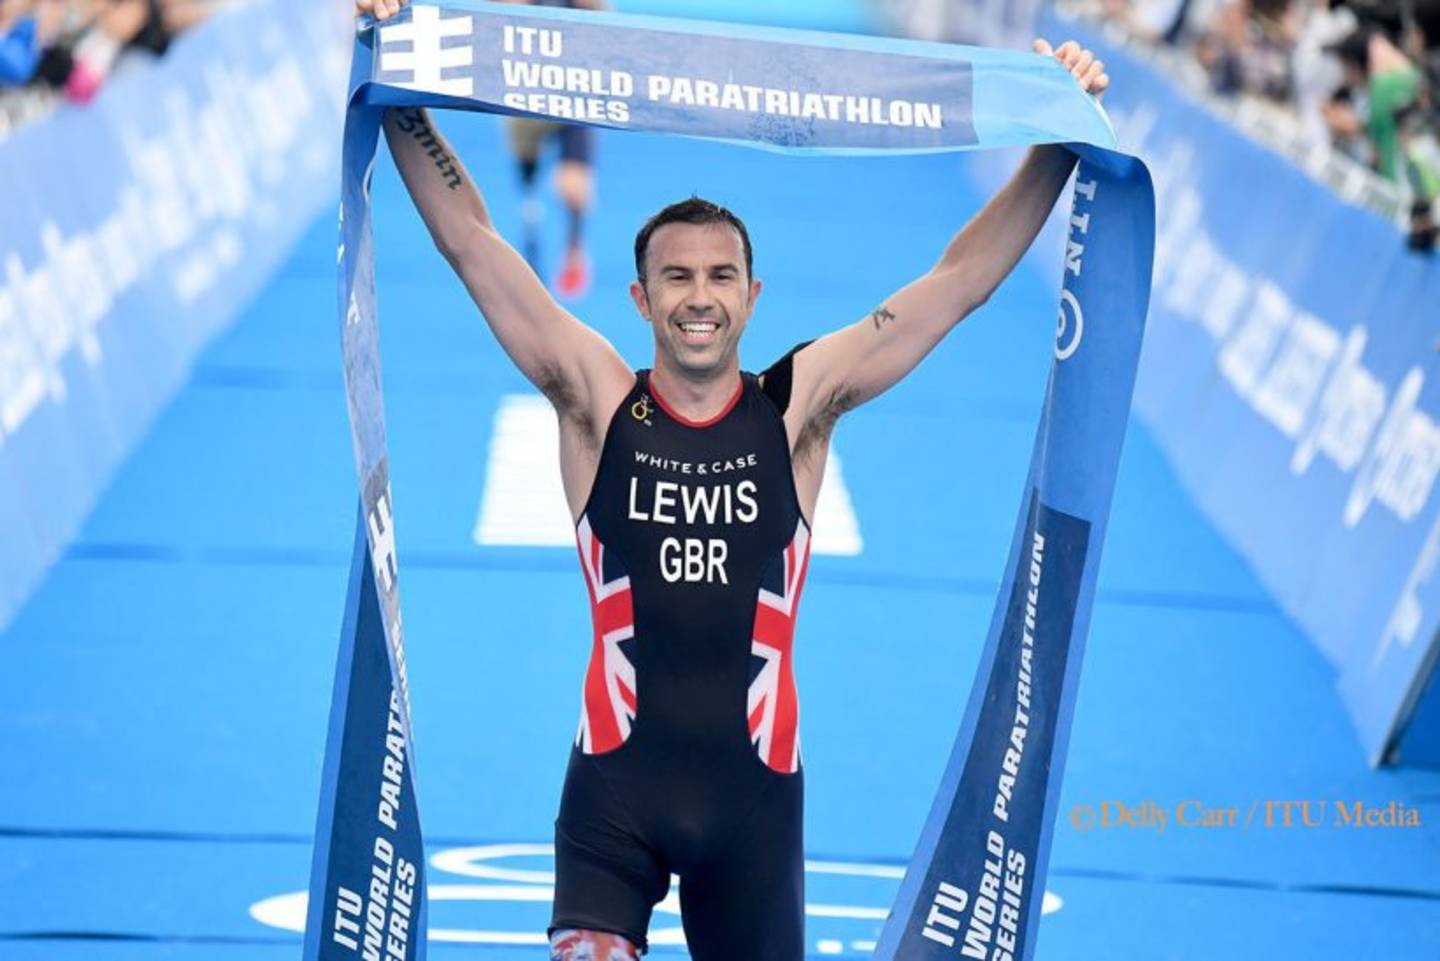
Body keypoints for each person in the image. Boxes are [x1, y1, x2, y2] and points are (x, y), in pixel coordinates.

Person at [357, 1, 1109, 957]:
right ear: (640, 298)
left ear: (753, 297)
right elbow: (473, 242)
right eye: (676, 277)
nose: (699, 297)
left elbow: (957, 283)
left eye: (721, 276)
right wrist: (396, 84)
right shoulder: (596, 398)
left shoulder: (799, 404)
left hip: (756, 811)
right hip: (612, 798)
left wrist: (1055, 143)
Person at [496, 0, 604, 299]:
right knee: (528, 181)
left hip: (573, 91)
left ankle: (574, 249)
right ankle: (529, 247)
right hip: (526, 88)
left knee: (573, 185)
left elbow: (599, 17)